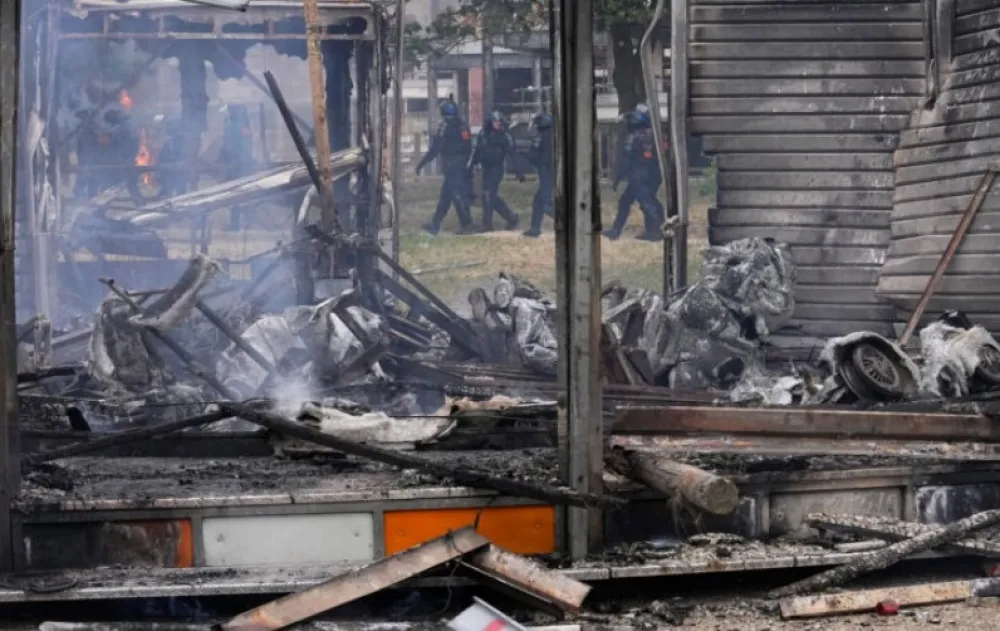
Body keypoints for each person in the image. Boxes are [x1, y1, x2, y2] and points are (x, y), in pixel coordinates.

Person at [605, 103, 665, 241]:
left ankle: (656, 231)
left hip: (639, 176)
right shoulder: (655, 135)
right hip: (652, 175)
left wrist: (618, 177)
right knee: (629, 201)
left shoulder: (636, 136)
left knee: (647, 203)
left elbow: (626, 159)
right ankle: (616, 231)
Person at [415, 99, 476, 235]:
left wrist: (422, 164)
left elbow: (436, 148)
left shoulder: (444, 127)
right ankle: (435, 224)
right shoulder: (463, 126)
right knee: (446, 196)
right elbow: (468, 146)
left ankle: (467, 224)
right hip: (462, 164)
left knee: (457, 195)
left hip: (451, 165)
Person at [468, 110, 525, 232]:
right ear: (490, 122)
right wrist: (471, 165)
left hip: (497, 168)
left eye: (499, 122)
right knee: (490, 196)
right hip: (486, 168)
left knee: (488, 194)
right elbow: (477, 151)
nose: (498, 124)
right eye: (495, 121)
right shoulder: (483, 134)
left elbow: (513, 154)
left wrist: (519, 170)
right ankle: (511, 218)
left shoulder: (505, 135)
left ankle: (487, 224)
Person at [219, 104, 256, 231]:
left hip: (238, 165)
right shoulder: (236, 124)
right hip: (237, 164)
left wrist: (233, 159)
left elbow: (240, 146)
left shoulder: (238, 125)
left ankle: (240, 223)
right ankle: (239, 223)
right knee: (236, 195)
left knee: (238, 195)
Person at [523, 111, 554, 238]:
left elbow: (535, 158)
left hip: (546, 171)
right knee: (538, 201)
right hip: (549, 170)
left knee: (546, 204)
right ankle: (535, 228)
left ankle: (568, 223)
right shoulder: (551, 135)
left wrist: (529, 151)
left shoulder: (543, 137)